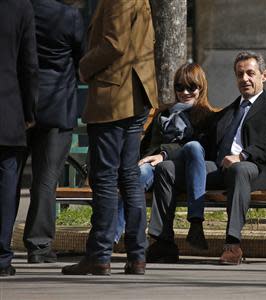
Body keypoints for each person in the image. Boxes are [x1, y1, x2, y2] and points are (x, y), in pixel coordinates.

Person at [149, 51, 266, 265]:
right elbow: (200, 142)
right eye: (240, 74)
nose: (244, 79)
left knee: (239, 169)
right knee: (167, 169)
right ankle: (163, 243)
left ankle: (232, 244)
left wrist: (243, 155)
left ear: (264, 76)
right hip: (220, 169)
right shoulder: (227, 113)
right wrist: (164, 154)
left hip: (260, 170)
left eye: (250, 73)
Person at [62, 0, 158, 276]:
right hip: (133, 94)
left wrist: (82, 67)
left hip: (116, 97)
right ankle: (137, 256)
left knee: (105, 176)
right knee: (127, 174)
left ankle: (100, 255)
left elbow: (114, 44)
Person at [114, 63, 213, 256]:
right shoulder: (163, 113)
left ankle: (194, 224)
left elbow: (201, 149)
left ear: (201, 88)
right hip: (154, 167)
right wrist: (138, 161)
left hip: (184, 169)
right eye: (179, 87)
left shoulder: (206, 116)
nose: (185, 92)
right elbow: (146, 145)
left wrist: (163, 154)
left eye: (191, 87)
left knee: (190, 148)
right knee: (137, 174)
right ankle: (113, 234)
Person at [21, 0, 85, 264]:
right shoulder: (69, 16)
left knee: (9, 178)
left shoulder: (19, 11)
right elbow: (83, 57)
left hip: (21, 104)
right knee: (46, 180)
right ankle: (39, 246)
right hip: (58, 105)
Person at [0, 0, 39, 276]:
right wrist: (29, 110)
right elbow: (29, 65)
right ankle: (1, 256)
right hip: (8, 110)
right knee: (6, 185)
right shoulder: (19, 7)